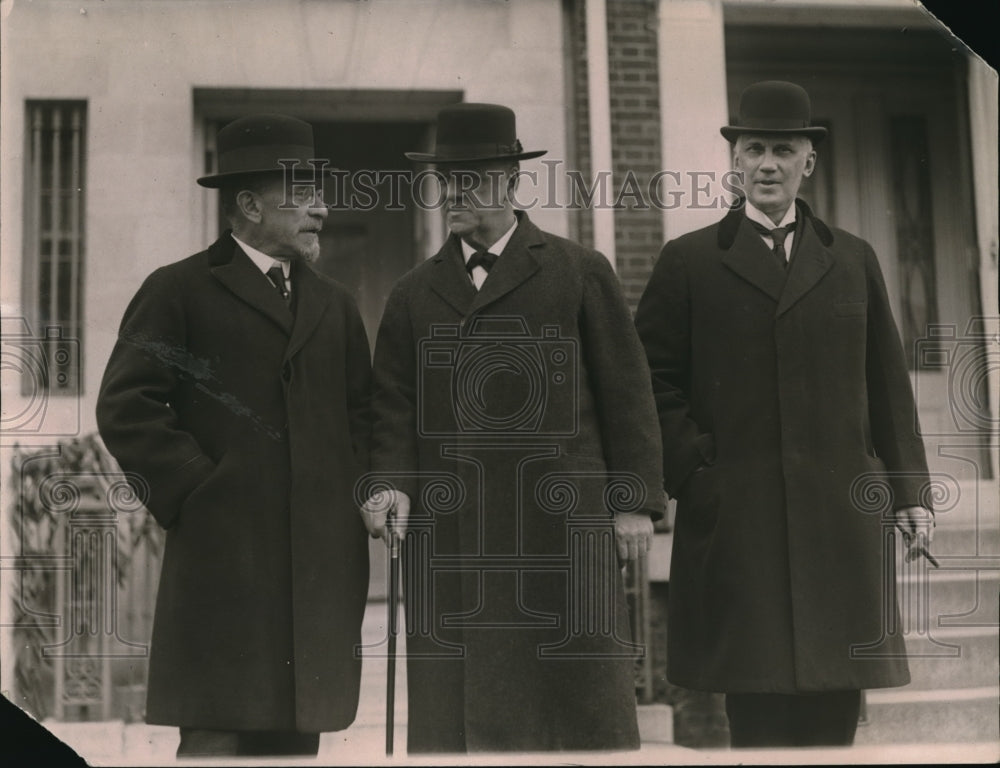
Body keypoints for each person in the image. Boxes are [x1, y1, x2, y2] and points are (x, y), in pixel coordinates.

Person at [634, 81, 935, 748]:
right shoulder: (688, 262)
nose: (768, 163)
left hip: (838, 522)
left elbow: (886, 384)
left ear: (809, 163)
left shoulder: (853, 259)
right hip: (741, 522)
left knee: (835, 708)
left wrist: (910, 492)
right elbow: (650, 381)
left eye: (783, 150)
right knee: (758, 712)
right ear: (734, 163)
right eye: (754, 149)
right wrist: (698, 469)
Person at [360, 103, 663, 753]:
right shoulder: (413, 292)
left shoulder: (578, 270)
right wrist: (390, 486)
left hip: (560, 524)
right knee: (465, 731)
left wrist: (634, 501)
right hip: (454, 532)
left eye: (470, 179)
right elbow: (392, 406)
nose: (455, 194)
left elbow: (628, 395)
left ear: (508, 182)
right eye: (447, 180)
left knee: (576, 714)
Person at [96, 114, 372, 758]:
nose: (321, 211)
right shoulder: (178, 289)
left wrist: (362, 494)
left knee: (295, 740)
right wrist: (199, 488)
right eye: (301, 196)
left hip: (315, 571)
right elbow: (126, 406)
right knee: (216, 736)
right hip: (223, 565)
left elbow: (364, 414)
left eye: (320, 195)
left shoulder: (336, 304)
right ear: (248, 204)